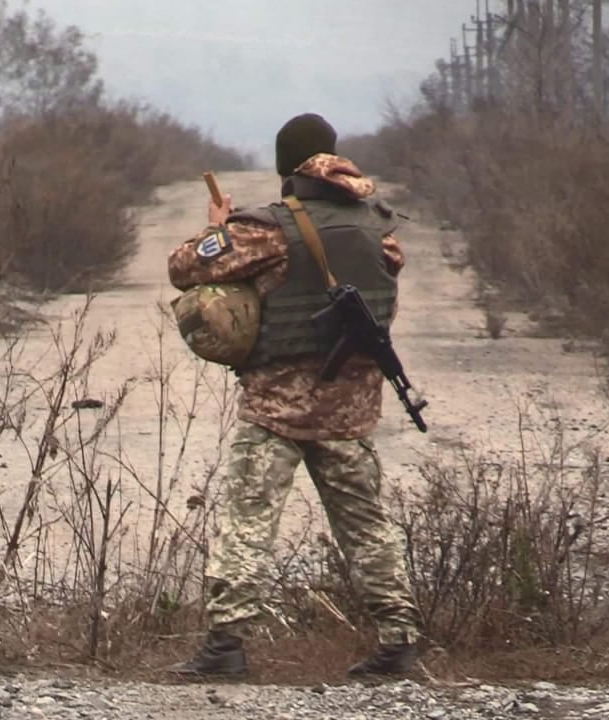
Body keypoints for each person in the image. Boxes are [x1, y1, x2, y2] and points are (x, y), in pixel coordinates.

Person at [164, 113, 423, 678]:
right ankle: (399, 641)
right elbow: (387, 282)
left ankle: (225, 647)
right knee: (367, 524)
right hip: (351, 404)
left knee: (247, 520)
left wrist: (217, 226)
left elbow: (185, 266)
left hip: (277, 403)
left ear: (286, 166)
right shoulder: (379, 226)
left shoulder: (269, 228)